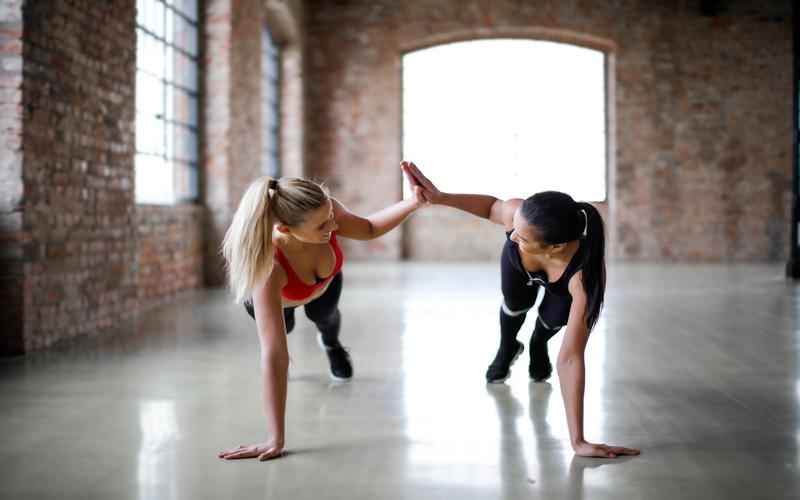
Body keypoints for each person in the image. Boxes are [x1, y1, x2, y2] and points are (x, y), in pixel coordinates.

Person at [402, 162, 639, 459]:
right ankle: (507, 348)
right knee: (515, 307)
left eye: (523, 238)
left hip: (561, 286)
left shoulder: (585, 277)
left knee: (550, 322)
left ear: (556, 247)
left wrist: (578, 441)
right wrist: (440, 197)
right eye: (515, 229)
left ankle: (537, 345)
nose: (512, 236)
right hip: (518, 267)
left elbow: (571, 357)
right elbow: (492, 208)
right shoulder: (520, 216)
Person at [218, 163, 428, 461]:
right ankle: (296, 322)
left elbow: (368, 228)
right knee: (283, 333)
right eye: (322, 226)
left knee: (326, 320)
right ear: (284, 229)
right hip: (282, 298)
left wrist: (413, 203)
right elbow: (275, 355)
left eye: (330, 217)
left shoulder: (326, 211)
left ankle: (331, 344)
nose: (333, 228)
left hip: (323, 283)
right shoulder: (268, 270)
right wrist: (275, 439)